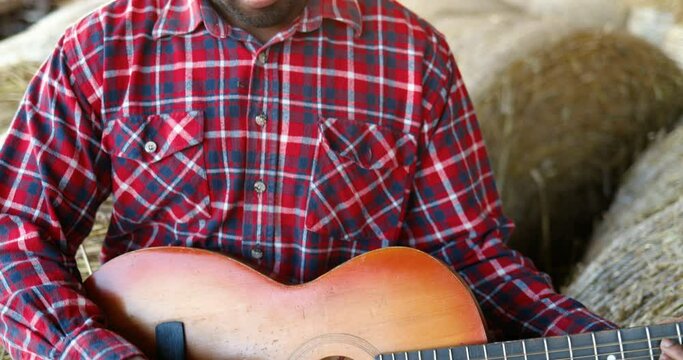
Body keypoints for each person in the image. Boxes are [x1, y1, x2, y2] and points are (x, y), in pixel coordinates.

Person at [0, 0, 680, 358]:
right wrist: (89, 353)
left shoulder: (412, 59)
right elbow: (15, 230)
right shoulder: (102, 47)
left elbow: (474, 259)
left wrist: (606, 345)